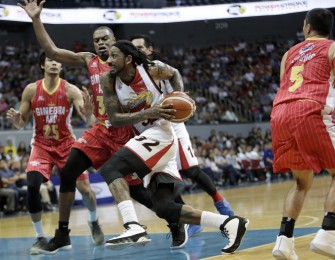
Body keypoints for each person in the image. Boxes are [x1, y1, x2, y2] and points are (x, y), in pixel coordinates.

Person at [19, 0, 191, 252]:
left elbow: (162, 76)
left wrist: (175, 96)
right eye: (96, 40)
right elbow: (53, 51)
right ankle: (63, 233)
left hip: (125, 130)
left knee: (138, 192)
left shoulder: (127, 64)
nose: (100, 43)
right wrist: (36, 20)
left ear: (115, 43)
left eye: (105, 39)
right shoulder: (89, 61)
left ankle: (176, 219)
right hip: (100, 129)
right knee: (68, 172)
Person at [97, 40, 249, 253]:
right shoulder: (108, 80)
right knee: (163, 207)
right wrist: (147, 113)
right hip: (148, 138)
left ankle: (132, 225)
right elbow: (114, 118)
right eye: (108, 56)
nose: (109, 60)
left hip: (161, 133)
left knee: (111, 169)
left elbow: (175, 73)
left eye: (114, 56)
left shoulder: (152, 69)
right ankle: (228, 223)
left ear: (128, 59)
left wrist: (179, 95)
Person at [130, 34, 235, 234]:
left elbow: (176, 80)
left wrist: (179, 100)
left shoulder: (158, 68)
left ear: (149, 50)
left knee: (190, 170)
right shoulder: (129, 75)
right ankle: (192, 219)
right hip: (150, 131)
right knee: (164, 179)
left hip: (171, 126)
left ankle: (220, 203)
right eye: (134, 48)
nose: (137, 51)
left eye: (140, 48)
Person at [6, 53, 102, 255]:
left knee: (85, 189)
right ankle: (40, 237)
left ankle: (93, 221)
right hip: (41, 146)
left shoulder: (70, 89)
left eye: (58, 61)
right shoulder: (32, 90)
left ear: (62, 66)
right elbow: (21, 123)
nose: (55, 63)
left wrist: (89, 111)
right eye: (50, 60)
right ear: (42, 65)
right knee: (32, 186)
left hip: (67, 145)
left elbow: (88, 120)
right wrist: (16, 119)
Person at [270, 8, 335, 260]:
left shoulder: (289, 54)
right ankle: (328, 234)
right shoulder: (331, 48)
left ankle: (284, 242)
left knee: (301, 182)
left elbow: (283, 84)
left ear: (307, 27)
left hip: (281, 113)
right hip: (311, 109)